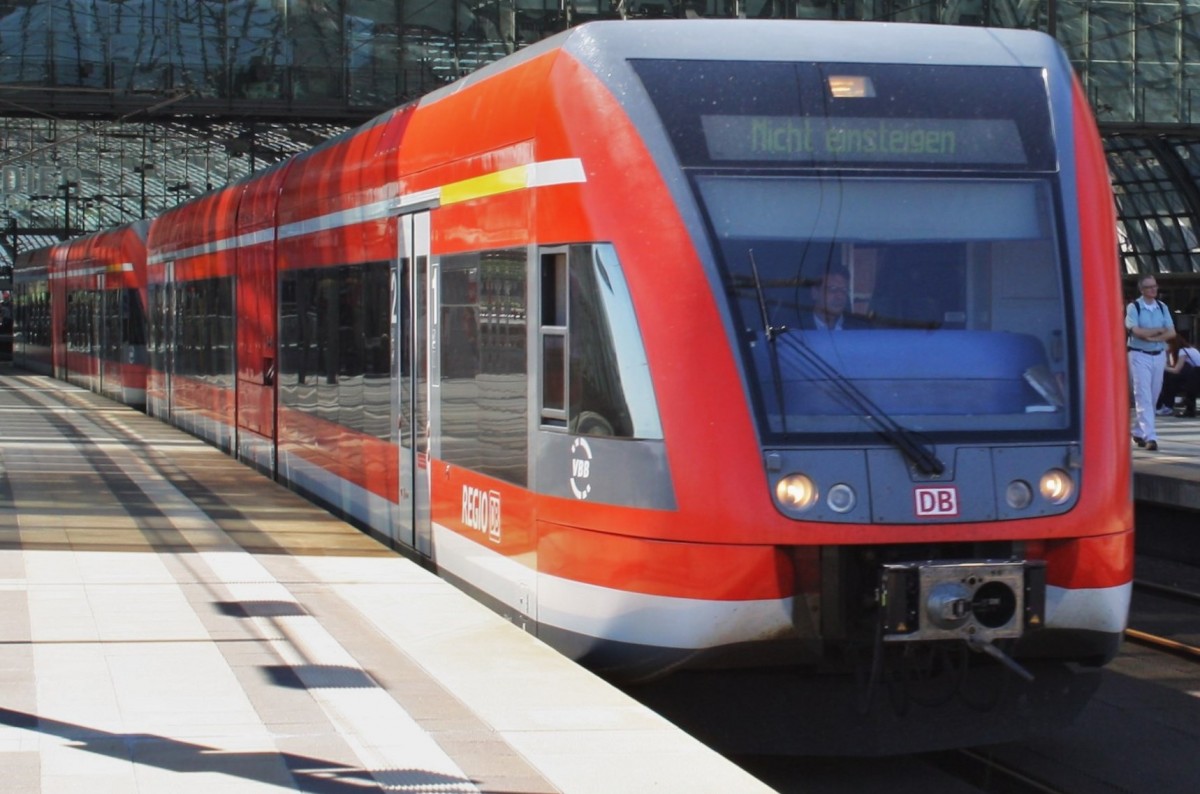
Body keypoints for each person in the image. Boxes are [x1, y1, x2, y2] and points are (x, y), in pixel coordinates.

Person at [1126, 276, 1176, 450]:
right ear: (1142, 290)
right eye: (1149, 287)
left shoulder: (1162, 307)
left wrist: (1152, 336)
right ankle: (1150, 436)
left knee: (1153, 394)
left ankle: (1139, 432)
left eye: (1154, 286)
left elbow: (1171, 333)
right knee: (1143, 395)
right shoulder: (1134, 307)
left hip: (1158, 354)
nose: (1153, 290)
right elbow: (1137, 331)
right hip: (1139, 355)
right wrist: (1159, 331)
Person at [797, 265, 870, 330]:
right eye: (832, 289)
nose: (839, 296)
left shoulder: (860, 329)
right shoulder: (796, 330)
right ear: (815, 293)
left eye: (844, 290)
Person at [1158, 332, 1200, 417]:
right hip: (1195, 375)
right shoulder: (1191, 348)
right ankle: (1167, 405)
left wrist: (1162, 367)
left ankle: (1167, 406)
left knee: (1169, 377)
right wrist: (1169, 354)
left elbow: (1176, 370)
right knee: (1170, 376)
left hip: (1196, 375)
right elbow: (1173, 365)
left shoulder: (1182, 351)